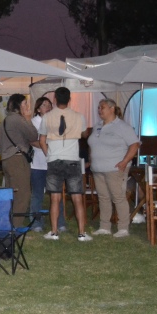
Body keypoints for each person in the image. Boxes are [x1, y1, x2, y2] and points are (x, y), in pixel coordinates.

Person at [39, 87, 92, 242]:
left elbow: (42, 140)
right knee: (77, 197)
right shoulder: (79, 116)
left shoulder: (47, 117)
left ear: (55, 99)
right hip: (72, 160)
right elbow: (83, 134)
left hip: (54, 159)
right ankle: (82, 233)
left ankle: (54, 232)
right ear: (69, 99)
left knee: (55, 198)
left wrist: (48, 153)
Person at [85, 98, 140, 238]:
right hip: (98, 169)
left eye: (102, 107)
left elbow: (134, 145)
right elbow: (92, 144)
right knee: (103, 197)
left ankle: (123, 228)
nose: (99, 110)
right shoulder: (98, 125)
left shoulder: (122, 126)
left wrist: (125, 161)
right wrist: (92, 160)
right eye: (98, 107)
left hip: (115, 168)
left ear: (112, 109)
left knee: (118, 197)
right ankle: (104, 226)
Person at [0, 93, 37, 227]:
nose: (27, 107)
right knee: (22, 194)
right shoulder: (17, 120)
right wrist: (28, 118)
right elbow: (33, 135)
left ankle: (8, 224)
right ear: (19, 105)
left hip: (6, 160)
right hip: (17, 159)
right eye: (25, 104)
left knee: (11, 194)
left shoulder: (4, 120)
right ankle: (16, 227)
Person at [29, 96, 66, 234]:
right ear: (38, 109)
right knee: (37, 194)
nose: (48, 107)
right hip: (38, 164)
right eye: (44, 105)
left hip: (54, 163)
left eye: (49, 104)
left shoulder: (55, 120)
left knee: (56, 195)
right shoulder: (34, 122)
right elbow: (32, 141)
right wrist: (48, 146)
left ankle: (60, 222)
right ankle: (36, 223)